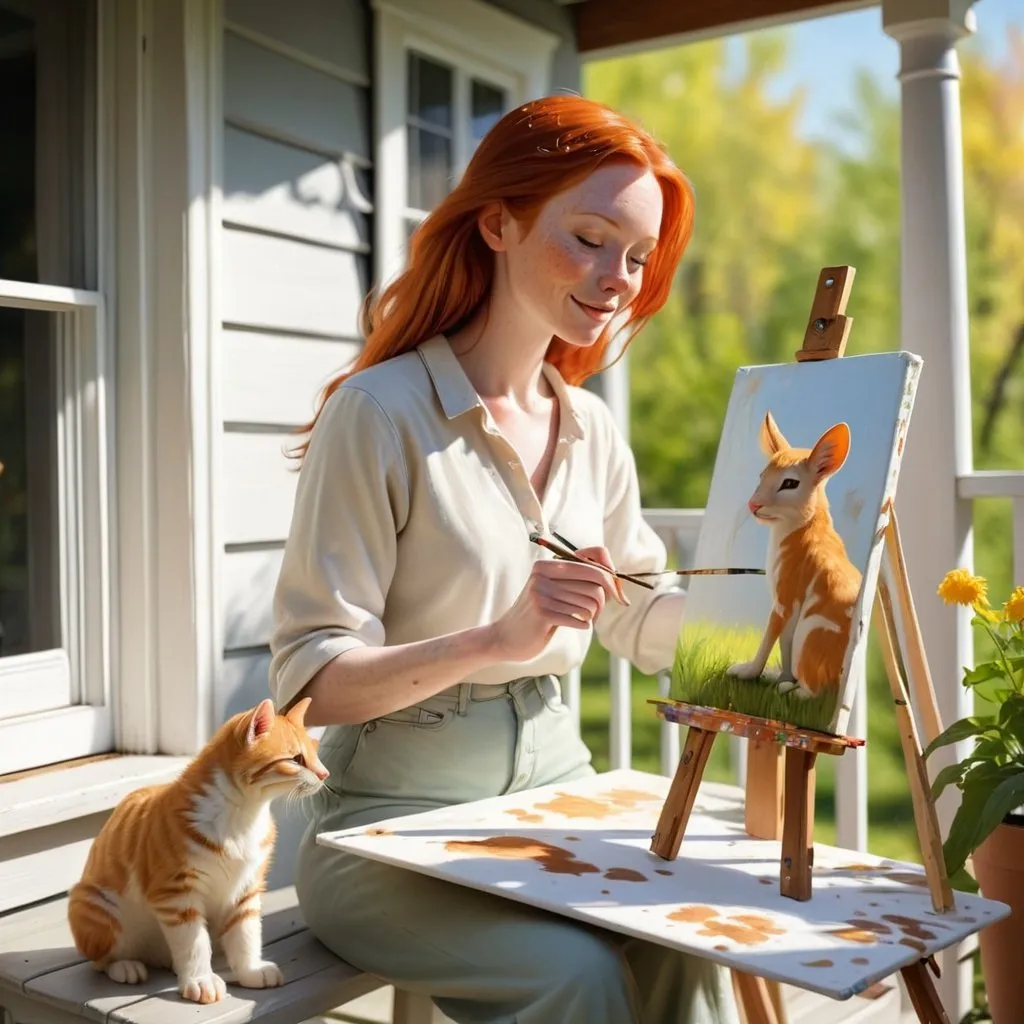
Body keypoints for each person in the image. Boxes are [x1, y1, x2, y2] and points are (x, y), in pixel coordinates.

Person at [268, 94, 740, 1024]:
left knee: (686, 943)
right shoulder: (380, 413)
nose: (618, 279)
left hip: (554, 801)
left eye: (637, 258)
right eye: (593, 238)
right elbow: (308, 684)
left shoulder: (591, 425)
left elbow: (640, 613)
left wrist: (775, 616)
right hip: (385, 827)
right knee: (580, 977)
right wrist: (497, 639)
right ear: (498, 222)